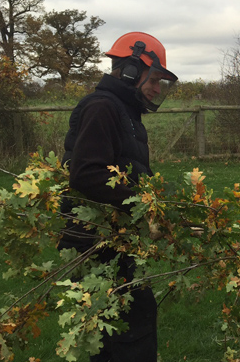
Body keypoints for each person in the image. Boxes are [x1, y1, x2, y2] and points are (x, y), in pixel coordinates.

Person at [59, 32, 178, 362]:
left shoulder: (125, 112)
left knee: (115, 335)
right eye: (154, 79)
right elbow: (86, 173)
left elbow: (125, 173)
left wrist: (158, 209)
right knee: (127, 334)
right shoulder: (103, 107)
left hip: (114, 240)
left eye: (162, 83)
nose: (157, 89)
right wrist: (144, 209)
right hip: (95, 244)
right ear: (128, 70)